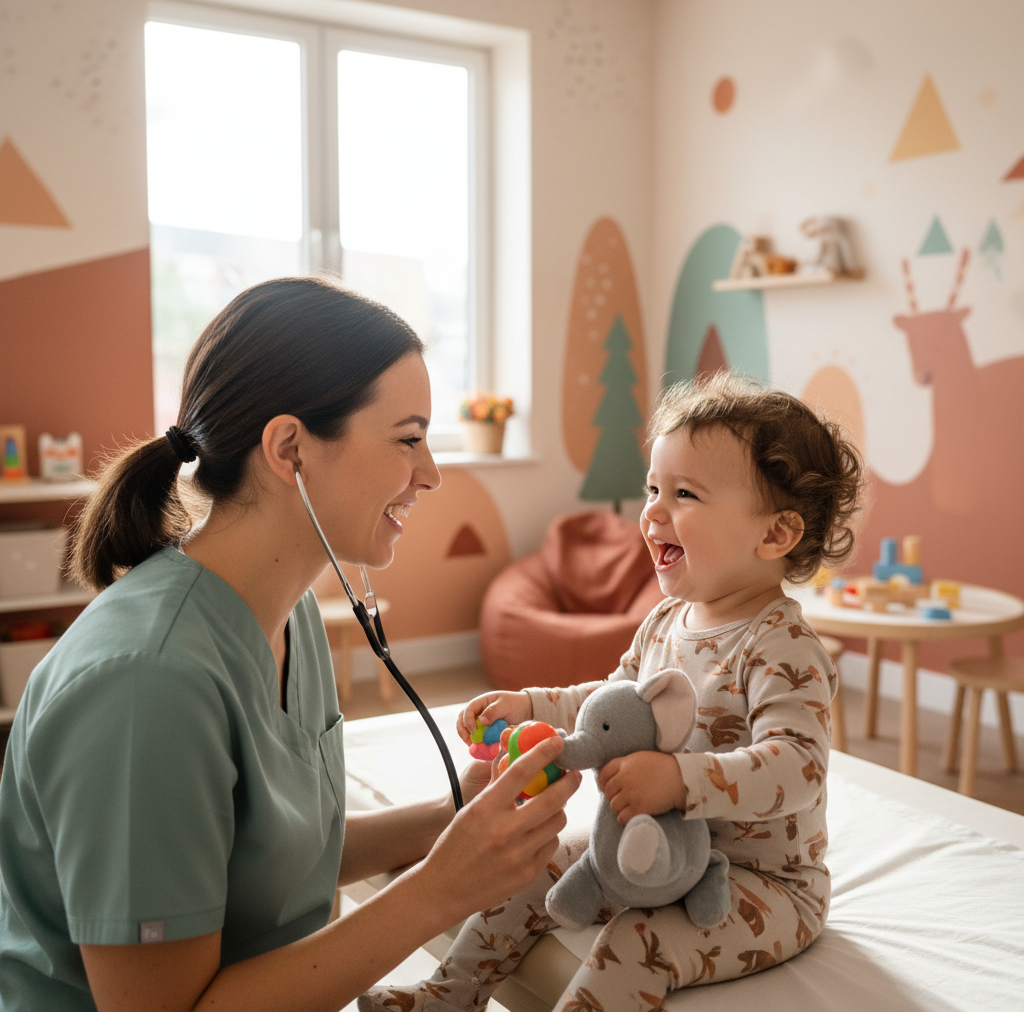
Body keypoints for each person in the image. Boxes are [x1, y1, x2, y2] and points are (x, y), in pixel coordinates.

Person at [0, 276, 581, 1012]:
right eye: (408, 439)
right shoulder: (147, 686)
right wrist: (440, 891)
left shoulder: (289, 613)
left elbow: (264, 858)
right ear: (290, 450)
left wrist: (446, 819)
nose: (430, 473)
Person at [359, 370, 863, 1012]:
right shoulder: (664, 620)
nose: (651, 511)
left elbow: (799, 768)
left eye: (684, 493)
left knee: (640, 941)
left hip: (758, 881)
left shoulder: (783, 647)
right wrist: (533, 705)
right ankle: (448, 995)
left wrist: (680, 780)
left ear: (774, 535)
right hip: (647, 850)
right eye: (653, 487)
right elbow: (611, 706)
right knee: (527, 868)